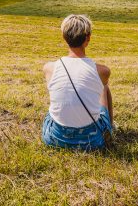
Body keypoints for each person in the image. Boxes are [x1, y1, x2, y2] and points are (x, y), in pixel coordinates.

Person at [42, 14, 113, 150]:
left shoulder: (49, 68)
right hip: (93, 141)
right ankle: (110, 129)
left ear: (64, 37)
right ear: (88, 38)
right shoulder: (102, 71)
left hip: (54, 138)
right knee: (103, 86)